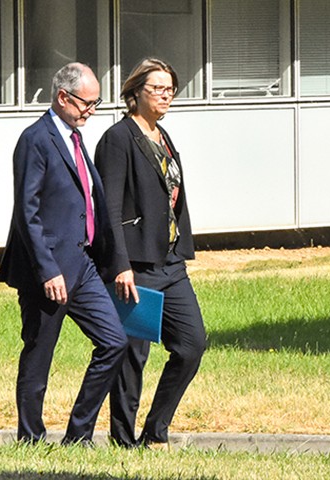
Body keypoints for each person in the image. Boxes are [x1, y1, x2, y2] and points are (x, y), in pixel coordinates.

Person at [0, 63, 128, 445]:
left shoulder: (75, 137)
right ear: (63, 97)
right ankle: (31, 437)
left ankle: (79, 434)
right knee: (39, 355)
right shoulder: (36, 139)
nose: (92, 110)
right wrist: (46, 269)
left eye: (96, 103)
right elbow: (27, 211)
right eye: (87, 103)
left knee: (113, 341)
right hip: (48, 270)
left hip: (82, 264)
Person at [94, 58, 207, 449]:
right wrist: (119, 264)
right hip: (136, 266)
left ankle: (155, 430)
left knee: (192, 344)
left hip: (170, 263)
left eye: (170, 88)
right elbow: (107, 207)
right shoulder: (118, 138)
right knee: (132, 356)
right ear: (135, 92)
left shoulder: (163, 136)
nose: (165, 94)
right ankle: (123, 440)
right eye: (157, 88)